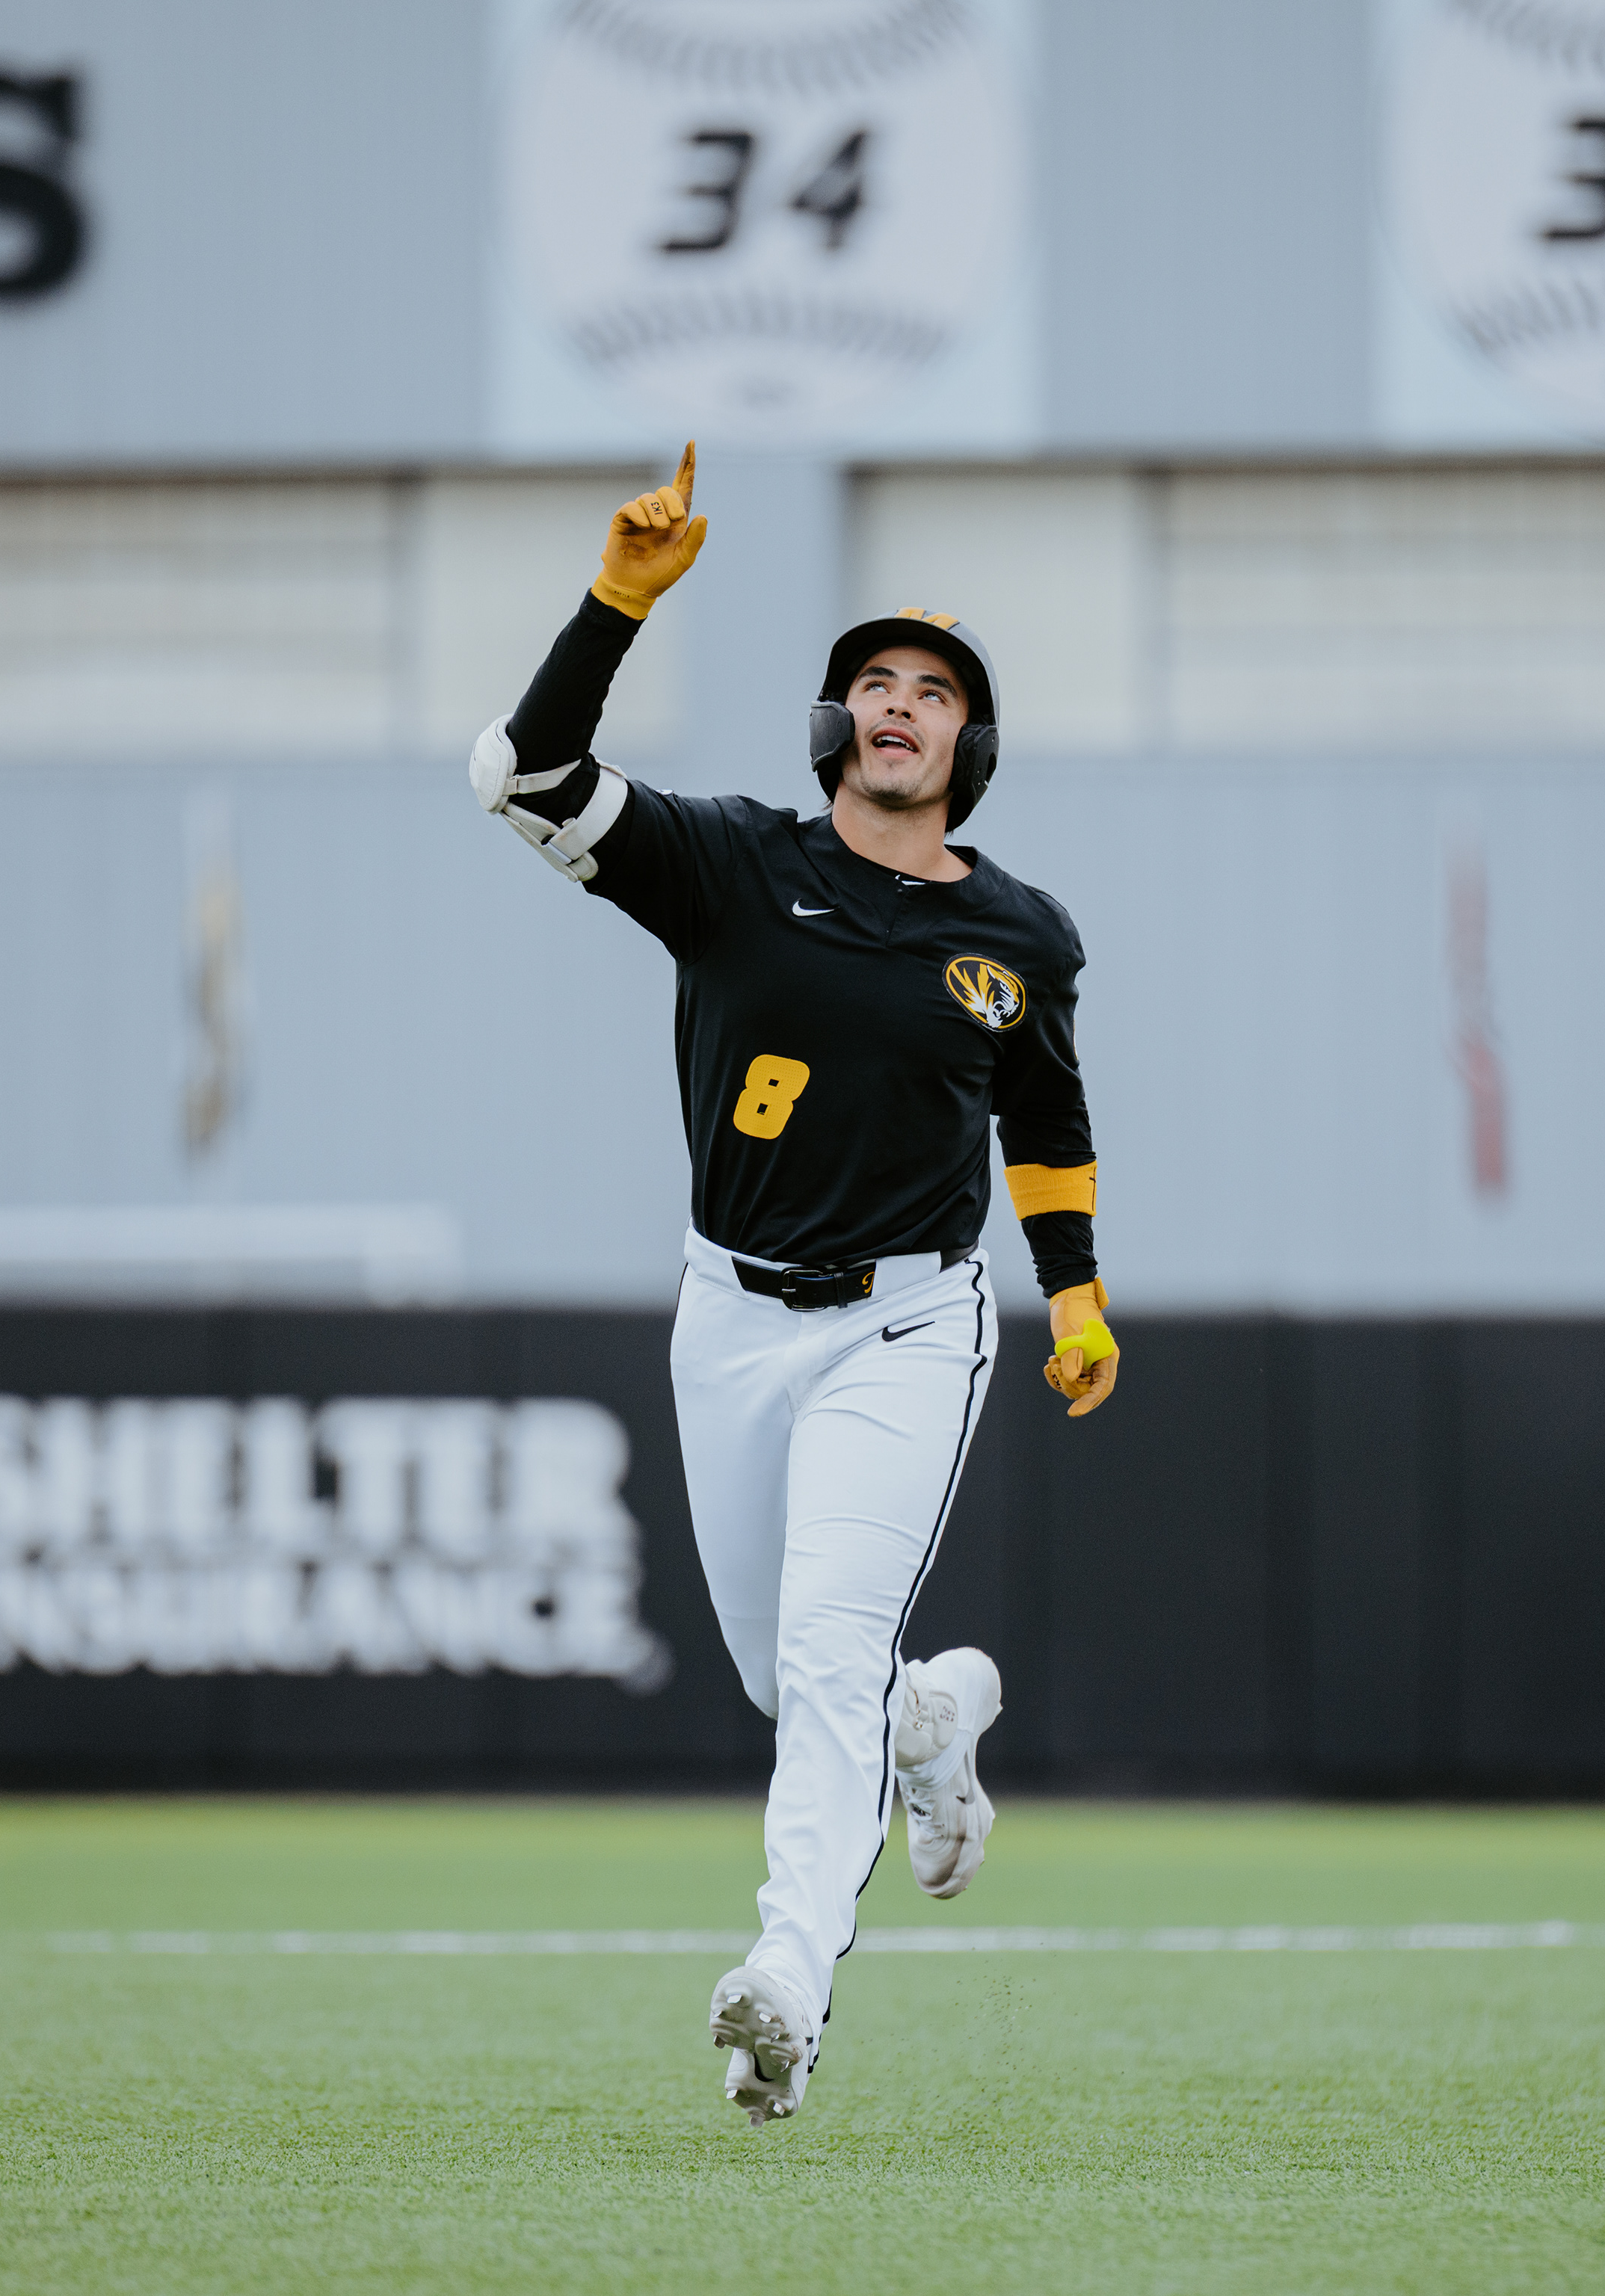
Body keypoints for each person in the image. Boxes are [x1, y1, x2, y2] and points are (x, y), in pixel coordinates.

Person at [468, 445, 1119, 2129]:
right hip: (731, 1312)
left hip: (911, 1321)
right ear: (837, 728)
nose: (900, 705)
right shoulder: (733, 865)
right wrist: (618, 604)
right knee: (790, 1678)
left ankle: (788, 1985)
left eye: (935, 692)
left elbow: (1043, 1110)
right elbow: (520, 772)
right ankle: (936, 1715)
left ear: (971, 745)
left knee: (818, 1655)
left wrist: (1083, 1292)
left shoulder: (1022, 936)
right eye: (874, 685)